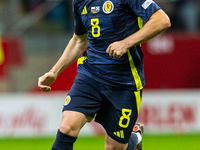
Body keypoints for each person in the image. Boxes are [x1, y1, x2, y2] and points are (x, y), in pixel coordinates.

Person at [38, 0, 171, 150]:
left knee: (114, 147)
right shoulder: (79, 2)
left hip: (124, 82)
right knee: (68, 126)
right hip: (90, 75)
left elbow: (162, 20)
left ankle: (135, 137)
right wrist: (53, 72)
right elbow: (78, 39)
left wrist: (126, 43)